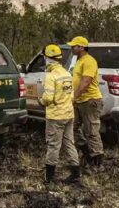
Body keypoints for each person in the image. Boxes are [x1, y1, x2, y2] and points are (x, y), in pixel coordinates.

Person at [39, 44, 80, 185]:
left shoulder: (51, 76)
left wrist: (41, 100)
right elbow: (72, 96)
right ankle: (76, 174)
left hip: (55, 116)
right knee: (69, 144)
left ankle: (49, 177)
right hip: (69, 114)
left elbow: (48, 98)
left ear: (48, 58)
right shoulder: (67, 74)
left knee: (53, 145)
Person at [68, 36, 104, 166]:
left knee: (91, 131)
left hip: (90, 100)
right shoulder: (78, 60)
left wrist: (74, 96)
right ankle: (86, 152)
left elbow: (86, 81)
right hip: (79, 101)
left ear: (81, 47)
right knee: (72, 127)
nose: (72, 48)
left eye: (74, 46)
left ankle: (97, 161)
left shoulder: (89, 61)